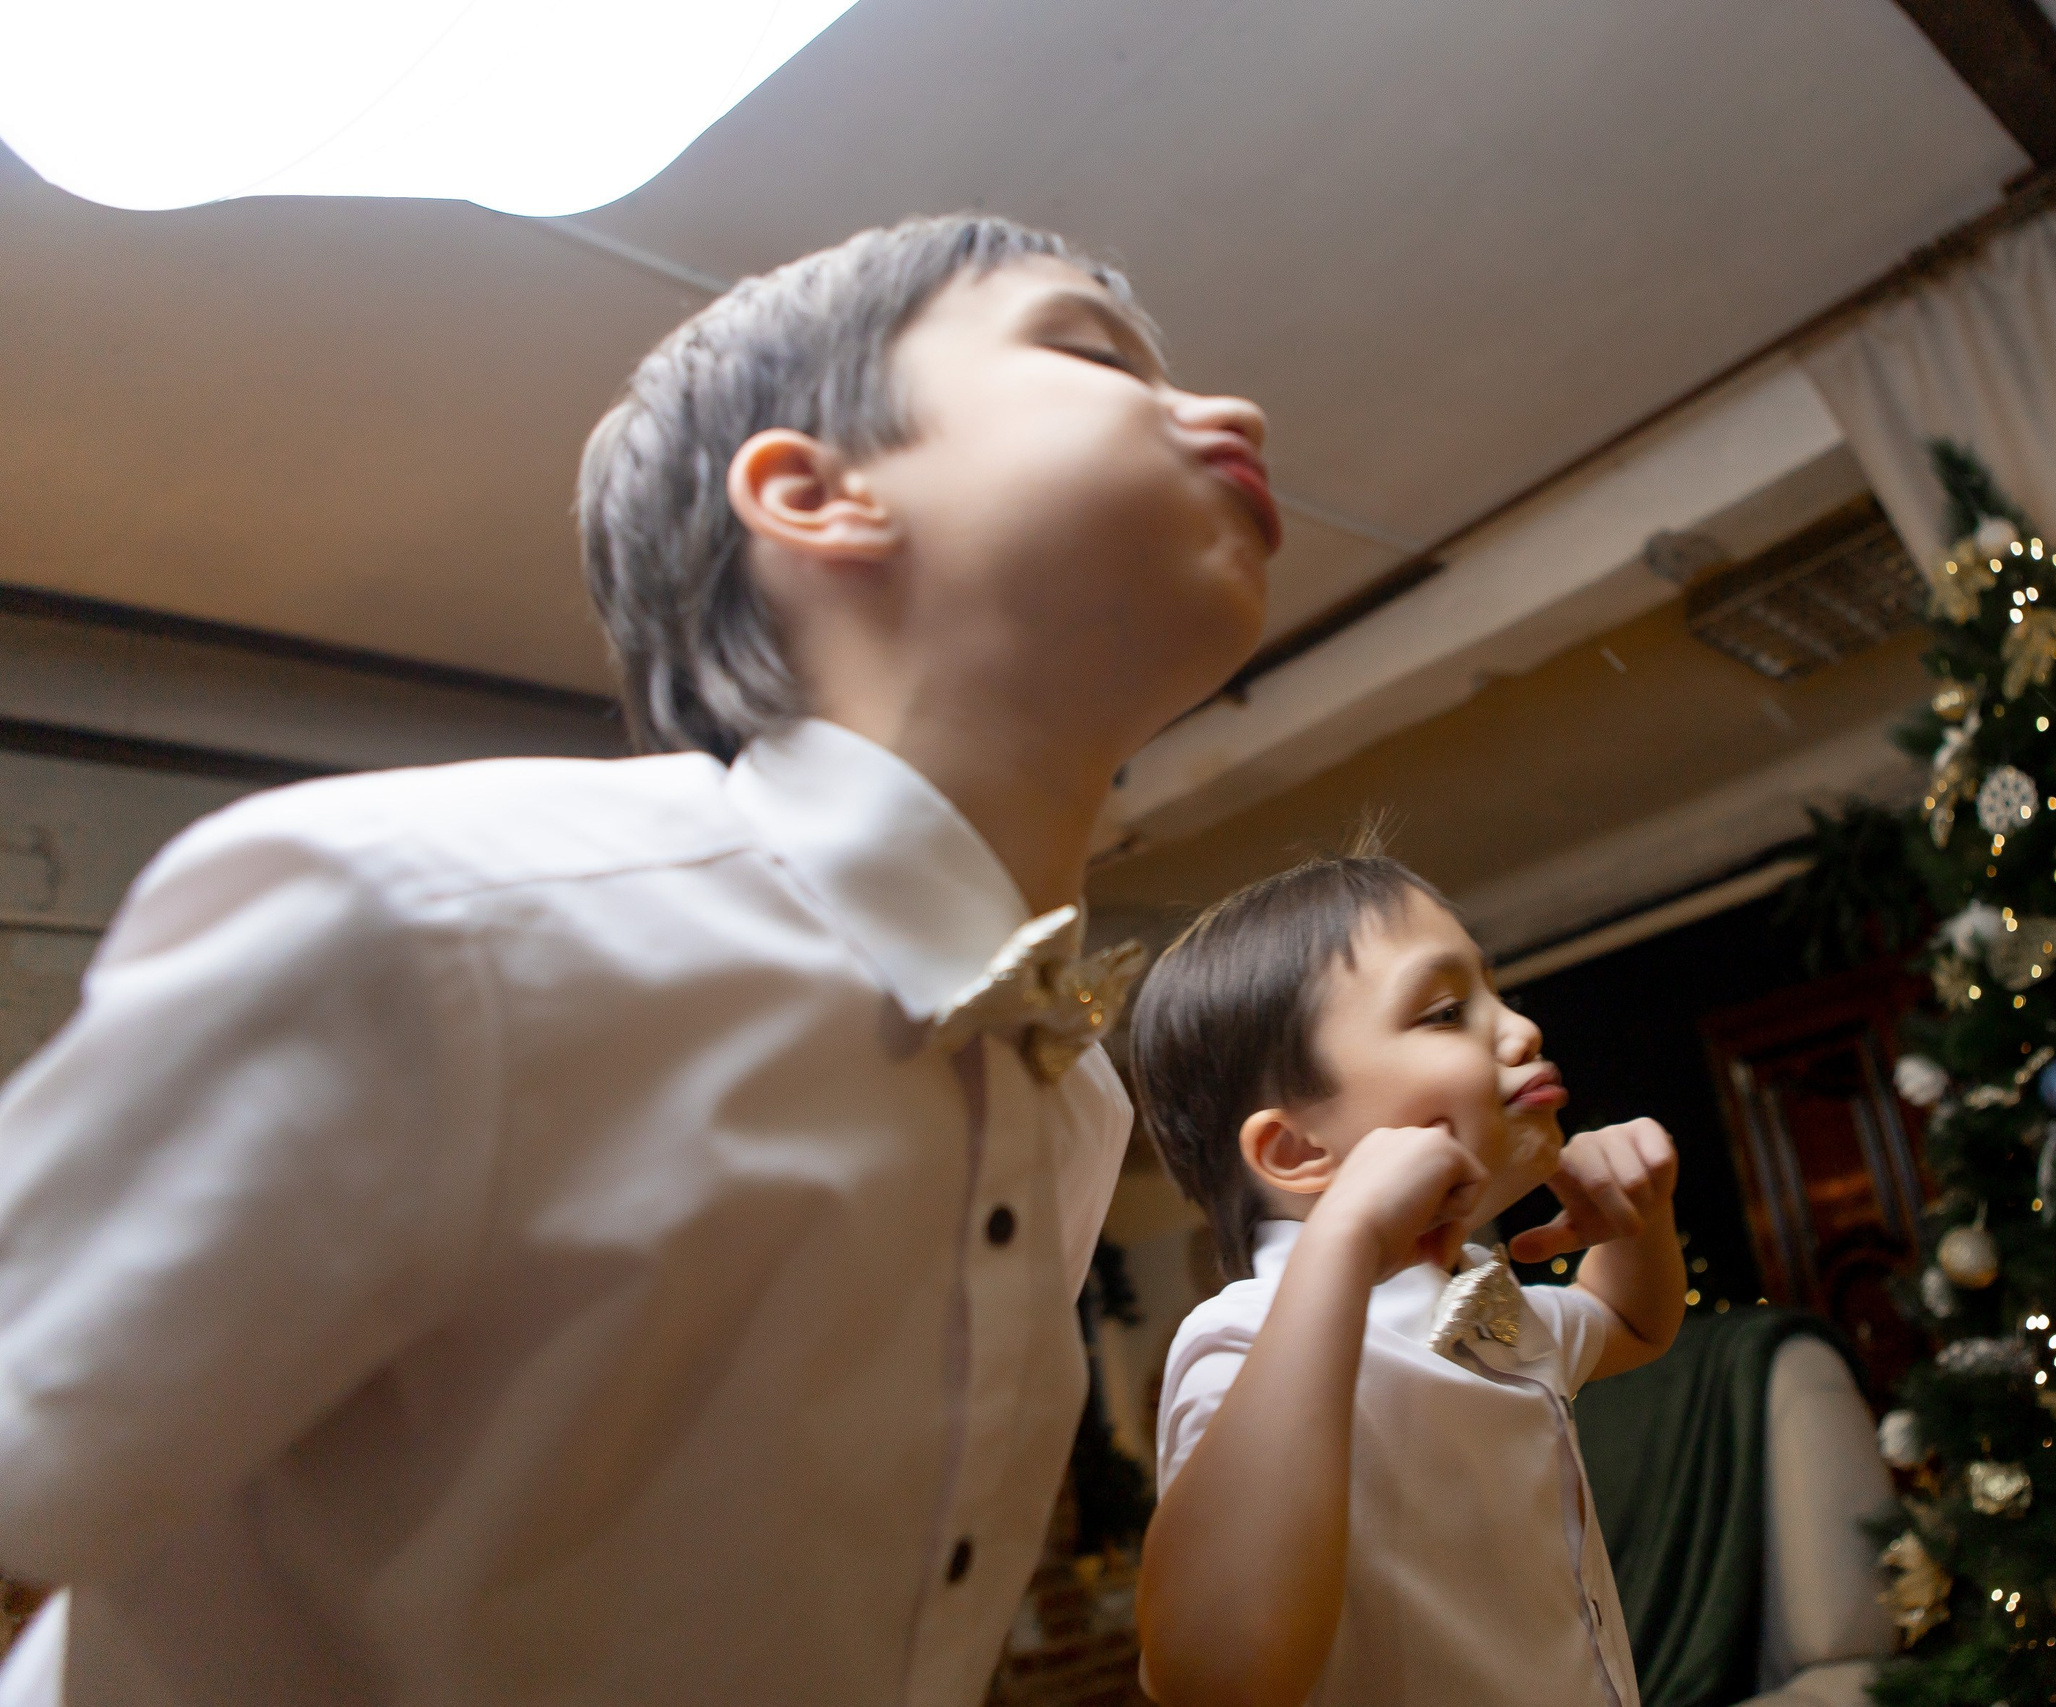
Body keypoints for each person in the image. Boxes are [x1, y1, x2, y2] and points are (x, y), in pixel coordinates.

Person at [0, 214, 1277, 1706]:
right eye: (1087, 346)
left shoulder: (1068, 1104)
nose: (1233, 413)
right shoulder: (444, 921)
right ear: (815, 490)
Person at [1129, 852, 1687, 1707]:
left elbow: (1631, 1319)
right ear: (1300, 1151)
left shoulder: (1477, 1305)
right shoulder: (1249, 1336)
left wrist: (1637, 1221)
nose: (1521, 1029)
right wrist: (1346, 1235)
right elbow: (1214, 1676)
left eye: (1496, 993)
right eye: (1445, 1011)